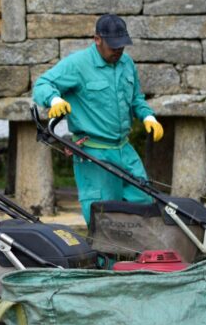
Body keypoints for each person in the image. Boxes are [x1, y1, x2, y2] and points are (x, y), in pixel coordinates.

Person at [32, 14, 165, 223]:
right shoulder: (77, 65)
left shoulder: (126, 63)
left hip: (124, 149)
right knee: (104, 217)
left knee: (145, 203)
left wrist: (148, 116)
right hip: (94, 152)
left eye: (122, 45)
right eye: (113, 46)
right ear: (97, 39)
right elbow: (42, 84)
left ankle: (141, 255)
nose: (118, 50)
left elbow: (136, 99)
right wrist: (55, 100)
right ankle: (106, 257)